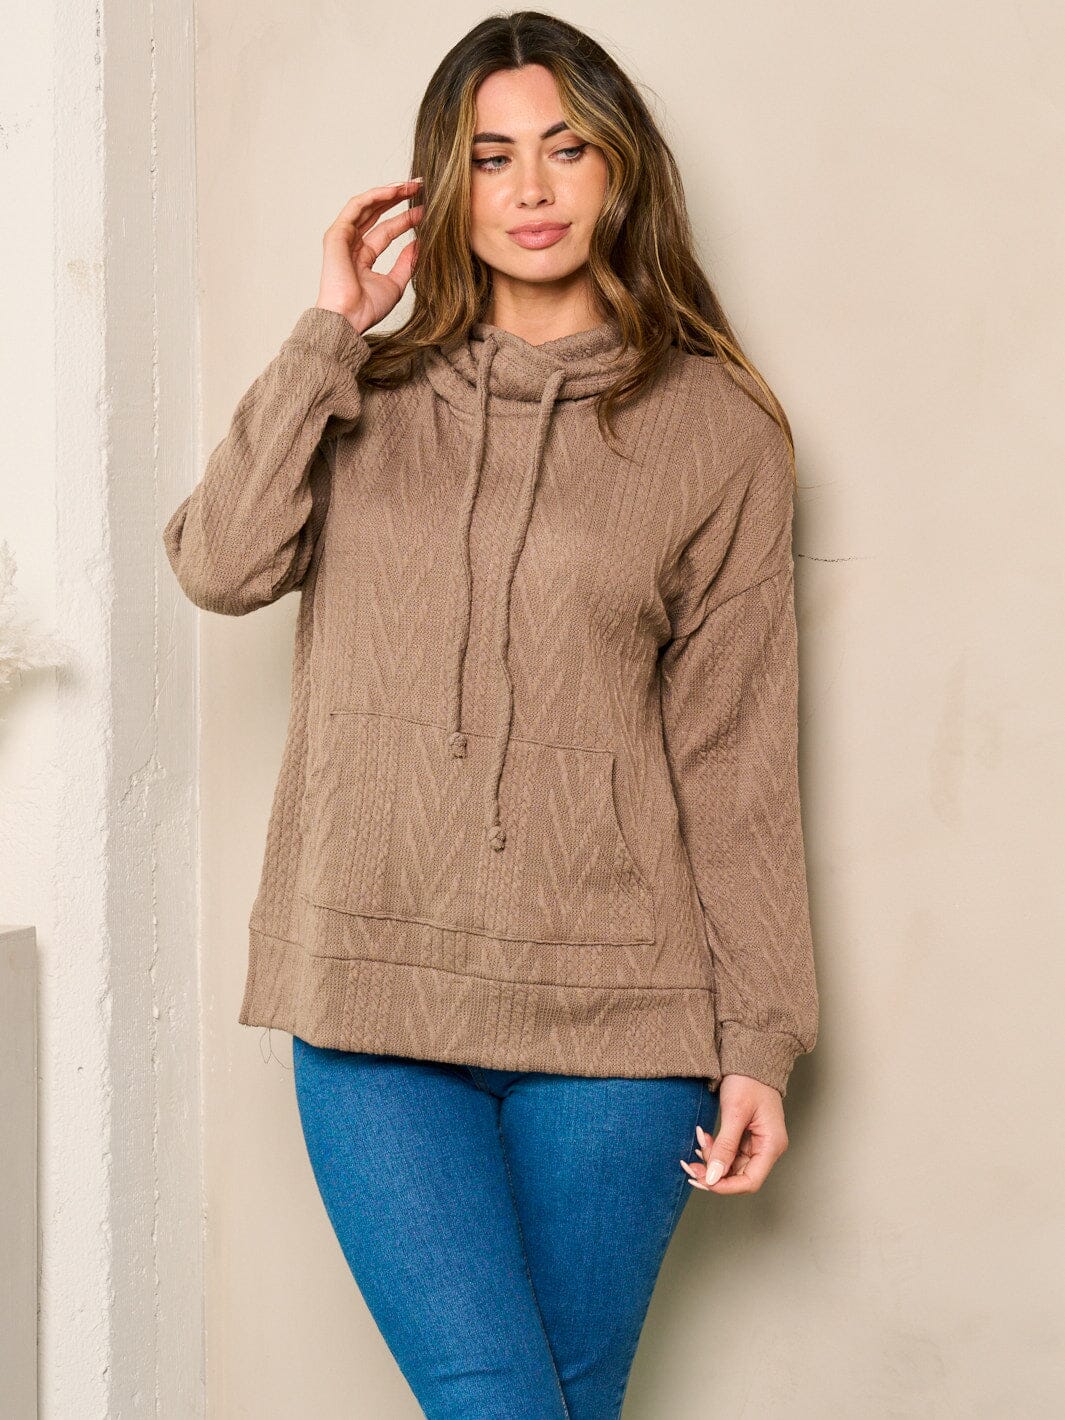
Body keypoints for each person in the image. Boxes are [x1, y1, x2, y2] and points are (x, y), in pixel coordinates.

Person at [163, 12, 820, 1418]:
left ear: (619, 167)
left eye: (565, 150)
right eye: (491, 156)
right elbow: (219, 565)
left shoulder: (718, 433)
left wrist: (760, 1036)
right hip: (373, 997)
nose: (530, 189)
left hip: (619, 1019)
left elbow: (735, 757)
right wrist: (329, 332)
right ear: (441, 185)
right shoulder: (361, 395)